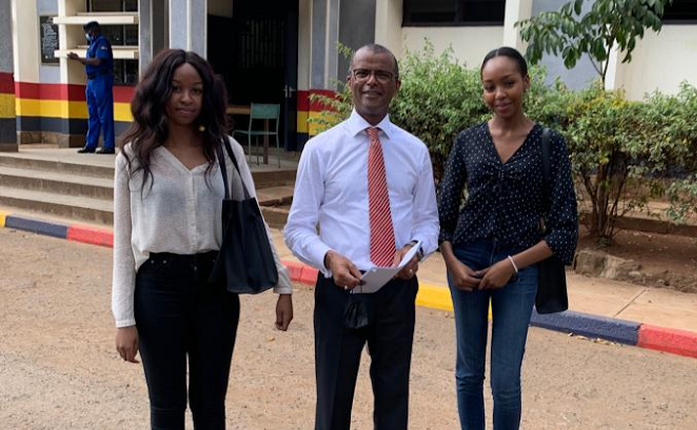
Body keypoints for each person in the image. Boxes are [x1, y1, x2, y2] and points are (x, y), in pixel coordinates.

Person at [111, 49, 294, 430]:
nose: (186, 98)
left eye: (196, 90)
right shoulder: (134, 156)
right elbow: (123, 243)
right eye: (176, 89)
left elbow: (253, 218)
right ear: (158, 92)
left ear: (206, 95)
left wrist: (284, 284)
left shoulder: (226, 151)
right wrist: (123, 318)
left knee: (211, 405)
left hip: (216, 289)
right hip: (158, 288)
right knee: (166, 406)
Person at [284, 43, 439, 430]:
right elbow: (297, 228)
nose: (373, 81)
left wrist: (415, 249)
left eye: (382, 74)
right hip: (340, 292)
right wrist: (328, 258)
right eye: (364, 73)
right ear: (350, 81)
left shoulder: (415, 151)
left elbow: (428, 224)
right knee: (333, 402)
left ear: (396, 85)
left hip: (396, 291)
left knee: (392, 400)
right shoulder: (320, 149)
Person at [437, 46, 578, 430]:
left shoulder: (550, 143)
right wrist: (452, 263)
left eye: (508, 83)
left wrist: (511, 265)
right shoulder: (468, 141)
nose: (498, 94)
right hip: (465, 260)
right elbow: (443, 215)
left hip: (520, 267)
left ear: (526, 83)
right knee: (467, 372)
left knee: (505, 381)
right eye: (489, 86)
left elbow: (566, 229)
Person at [68, 21, 116, 154]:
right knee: (93, 114)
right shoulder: (92, 45)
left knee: (104, 113)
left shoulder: (102, 42)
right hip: (91, 81)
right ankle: (91, 144)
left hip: (101, 79)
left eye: (88, 33)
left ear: (93, 31)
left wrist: (79, 59)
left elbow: (98, 61)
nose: (87, 36)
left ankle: (108, 144)